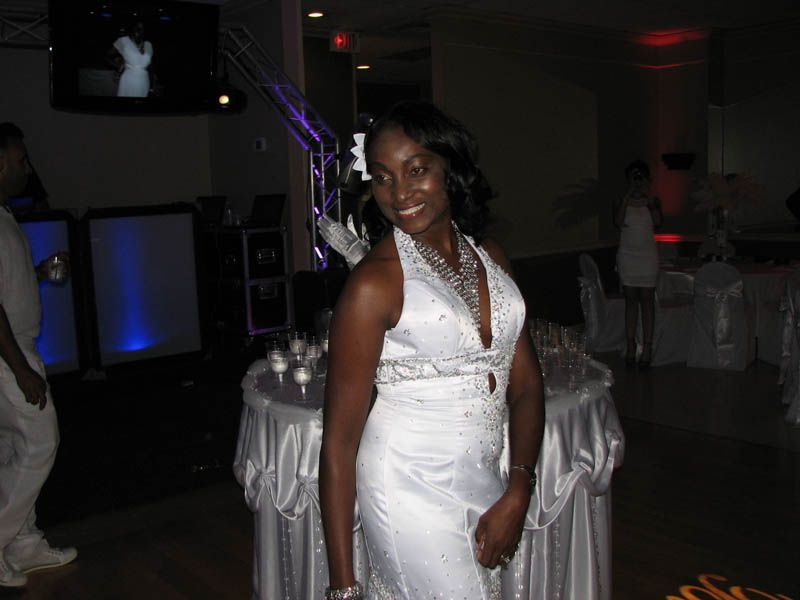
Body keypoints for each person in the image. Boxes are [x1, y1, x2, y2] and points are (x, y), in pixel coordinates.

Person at [319, 101, 545, 598]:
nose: (399, 194)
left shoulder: (490, 256)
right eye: (381, 177)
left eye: (416, 170)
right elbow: (337, 443)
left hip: (490, 477)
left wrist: (520, 487)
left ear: (451, 169)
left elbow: (526, 384)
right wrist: (342, 587)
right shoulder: (373, 285)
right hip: (407, 487)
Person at [0, 123, 77, 588]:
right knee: (40, 444)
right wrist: (20, 369)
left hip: (16, 351)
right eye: (21, 159)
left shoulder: (4, 215)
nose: (27, 168)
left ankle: (22, 545)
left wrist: (37, 274)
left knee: (12, 450)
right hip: (9, 357)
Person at [614, 160, 663, 368]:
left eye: (641, 177)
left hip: (647, 257)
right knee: (631, 301)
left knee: (647, 302)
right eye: (634, 177)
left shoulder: (653, 201)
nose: (637, 181)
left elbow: (658, 222)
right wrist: (628, 196)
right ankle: (631, 346)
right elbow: (618, 221)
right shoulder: (621, 200)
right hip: (628, 255)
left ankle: (649, 348)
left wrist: (648, 195)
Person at [108, 21, 153, 98]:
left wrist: (151, 88)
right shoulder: (123, 41)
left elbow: (151, 67)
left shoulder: (148, 44)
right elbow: (107, 56)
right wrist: (118, 66)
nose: (139, 30)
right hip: (128, 80)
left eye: (142, 29)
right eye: (137, 28)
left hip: (144, 81)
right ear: (132, 29)